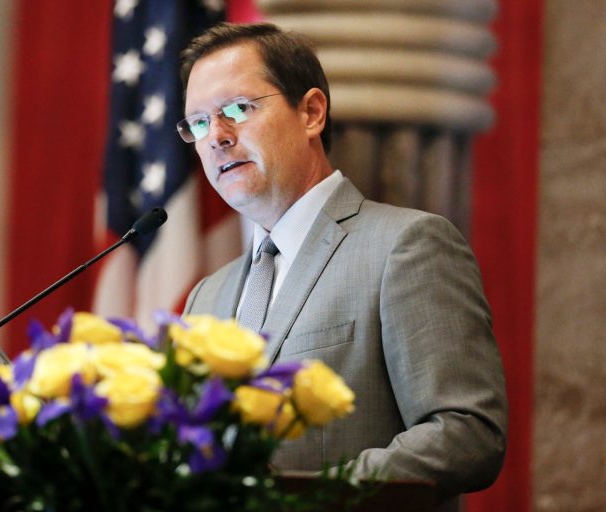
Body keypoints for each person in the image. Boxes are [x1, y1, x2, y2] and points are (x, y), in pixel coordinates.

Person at [178, 22, 507, 508]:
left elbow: (466, 434)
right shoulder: (206, 296)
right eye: (200, 123)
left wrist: (309, 498)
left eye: (237, 109)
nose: (216, 138)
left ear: (311, 112)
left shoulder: (406, 246)